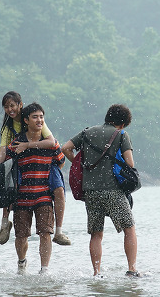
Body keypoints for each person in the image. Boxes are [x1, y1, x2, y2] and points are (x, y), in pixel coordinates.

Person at [61, 104, 140, 277]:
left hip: (90, 192)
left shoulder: (87, 132)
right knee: (129, 229)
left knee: (96, 234)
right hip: (113, 190)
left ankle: (96, 273)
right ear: (123, 123)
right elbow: (130, 163)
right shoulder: (121, 134)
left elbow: (65, 148)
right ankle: (132, 269)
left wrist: (78, 163)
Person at [0, 91, 70, 246]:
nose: (10, 109)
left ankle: (59, 231)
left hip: (45, 159)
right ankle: (4, 223)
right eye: (6, 107)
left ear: (20, 105)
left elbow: (51, 142)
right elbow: (2, 151)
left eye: (12, 105)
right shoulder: (8, 127)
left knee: (59, 189)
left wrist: (27, 145)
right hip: (22, 162)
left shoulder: (35, 116)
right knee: (9, 187)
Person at [6, 102, 65, 274]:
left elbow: (60, 162)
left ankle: (44, 270)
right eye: (35, 117)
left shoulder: (52, 144)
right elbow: (8, 168)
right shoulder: (16, 144)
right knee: (21, 236)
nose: (39, 120)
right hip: (22, 197)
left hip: (44, 196)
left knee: (45, 233)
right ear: (26, 120)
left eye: (41, 117)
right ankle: (22, 262)